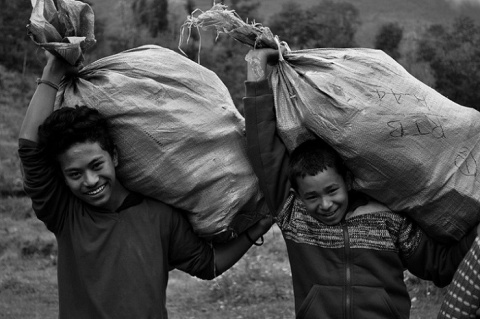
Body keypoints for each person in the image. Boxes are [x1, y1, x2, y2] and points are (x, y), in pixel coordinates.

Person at [18, 51, 272, 319]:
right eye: (74, 174)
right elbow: (29, 149)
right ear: (64, 176)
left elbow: (208, 264)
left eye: (96, 165)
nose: (90, 181)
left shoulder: (161, 216)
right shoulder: (65, 214)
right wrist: (52, 72)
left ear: (114, 156)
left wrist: (258, 228)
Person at [243, 47, 479, 319]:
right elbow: (262, 148)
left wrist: (474, 238)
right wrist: (255, 66)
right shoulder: (292, 214)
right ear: (296, 194)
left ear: (346, 180)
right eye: (312, 197)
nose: (325, 204)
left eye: (332, 190)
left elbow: (439, 266)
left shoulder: (388, 220)